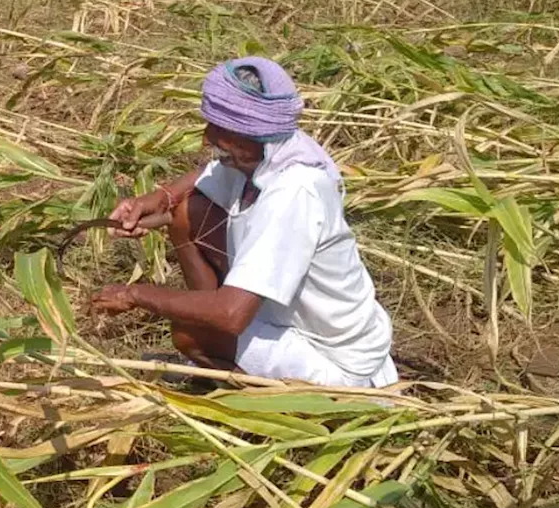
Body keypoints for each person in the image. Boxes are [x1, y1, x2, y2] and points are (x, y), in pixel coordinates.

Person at [89, 56, 397, 388]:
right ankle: (227, 358)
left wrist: (135, 295)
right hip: (282, 321)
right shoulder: (266, 154)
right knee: (188, 212)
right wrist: (157, 201)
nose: (207, 138)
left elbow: (230, 315)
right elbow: (203, 178)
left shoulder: (295, 191)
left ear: (248, 138)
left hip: (336, 362)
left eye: (218, 129)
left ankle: (262, 394)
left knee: (192, 330)